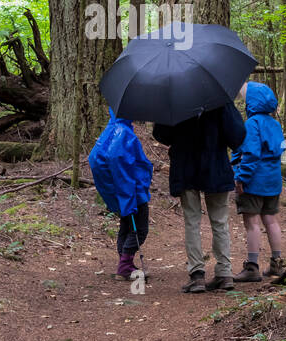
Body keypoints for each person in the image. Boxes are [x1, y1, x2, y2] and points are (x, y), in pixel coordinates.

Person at [153, 102, 246, 293]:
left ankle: (197, 275)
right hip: (216, 167)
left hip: (186, 167)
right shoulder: (220, 100)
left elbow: (161, 134)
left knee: (192, 221)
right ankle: (224, 273)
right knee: (219, 221)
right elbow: (237, 136)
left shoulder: (175, 99)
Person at [230, 82, 286, 282]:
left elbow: (251, 155)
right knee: (271, 220)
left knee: (252, 223)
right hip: (273, 181)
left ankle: (252, 267)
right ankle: (277, 263)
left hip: (254, 182)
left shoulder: (252, 124)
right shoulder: (275, 124)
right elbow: (281, 150)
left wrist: (241, 178)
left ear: (252, 103)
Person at [88, 111, 154, 280]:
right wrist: (128, 197)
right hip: (133, 193)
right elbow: (121, 166)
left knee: (126, 226)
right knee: (140, 229)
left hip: (125, 193)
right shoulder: (123, 133)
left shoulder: (112, 129)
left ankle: (125, 263)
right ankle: (125, 265)